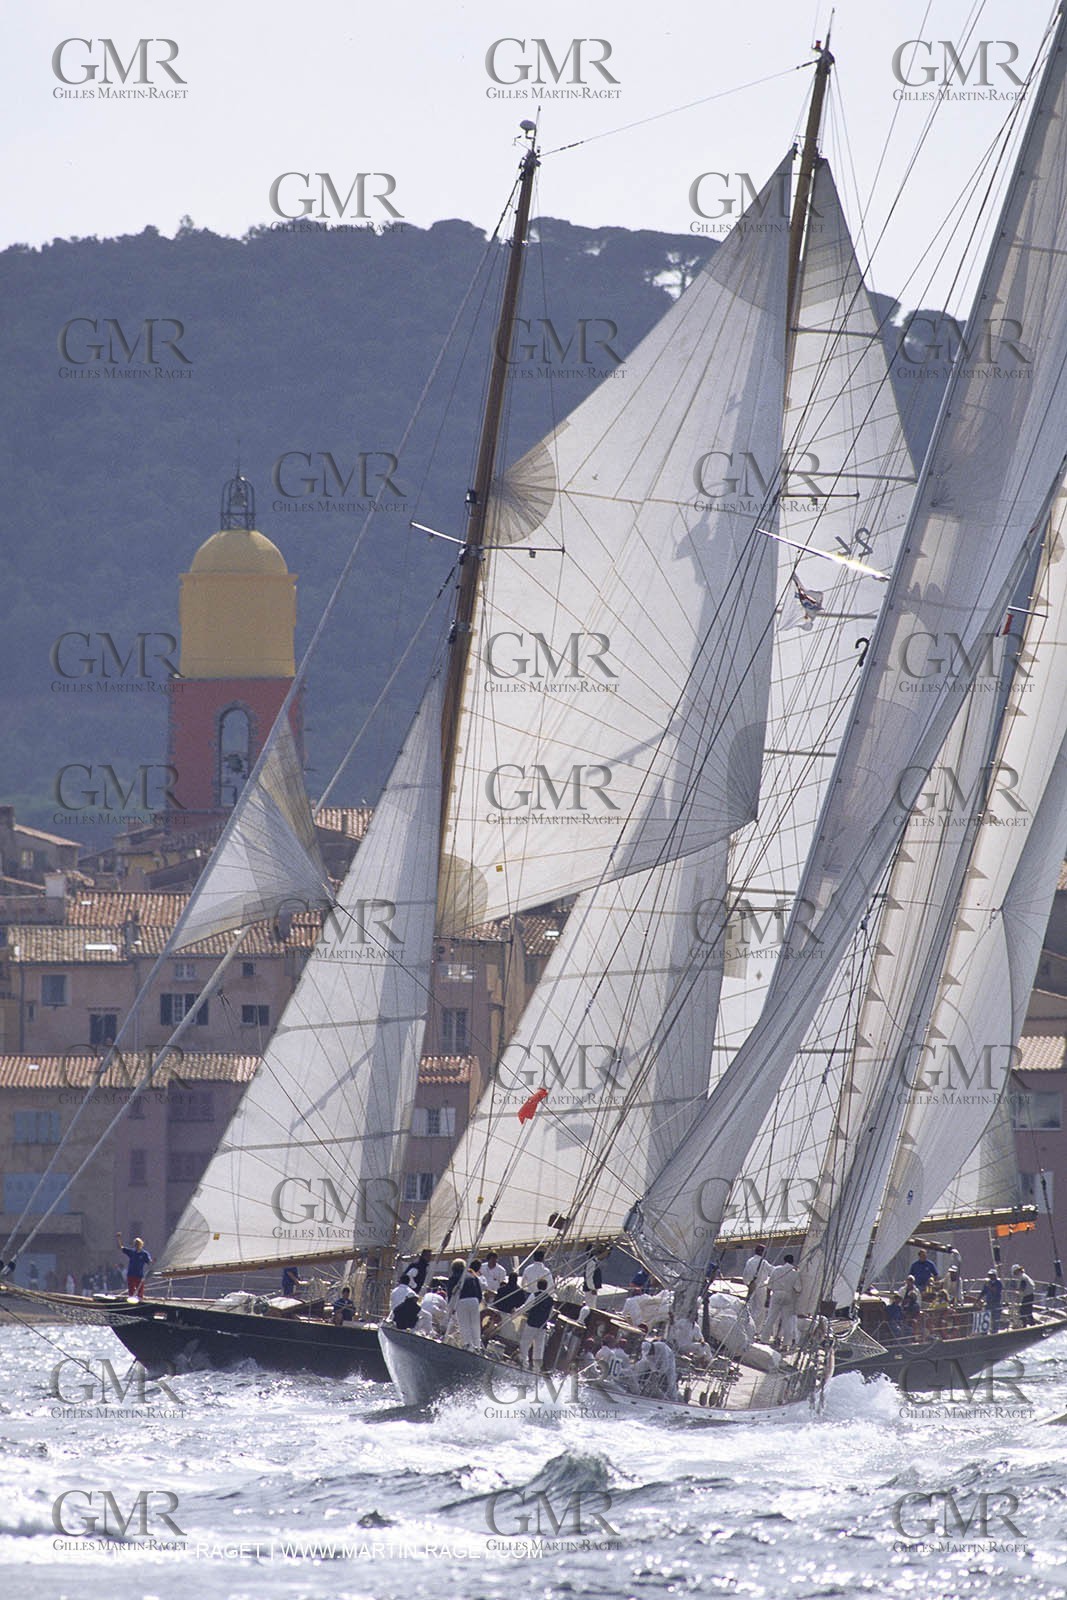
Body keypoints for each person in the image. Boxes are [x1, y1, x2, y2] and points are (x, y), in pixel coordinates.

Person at [765, 1254, 801, 1350]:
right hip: (788, 1296)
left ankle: (764, 1339)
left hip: (776, 1294)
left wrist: (767, 1298)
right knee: (787, 1321)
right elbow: (798, 1289)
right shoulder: (795, 1273)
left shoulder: (776, 1270)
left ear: (784, 1260)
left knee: (771, 1317)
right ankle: (786, 1343)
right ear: (793, 1262)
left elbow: (769, 1286)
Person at [518, 1277, 554, 1372]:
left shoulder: (534, 1295)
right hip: (542, 1327)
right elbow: (550, 1315)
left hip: (532, 1323)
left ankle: (524, 1363)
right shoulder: (550, 1300)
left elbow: (526, 1307)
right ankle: (536, 1369)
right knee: (539, 1347)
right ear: (546, 1287)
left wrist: (516, 1312)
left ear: (537, 1286)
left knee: (525, 1343)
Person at [454, 1259, 485, 1351]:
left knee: (464, 1324)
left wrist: (451, 1307)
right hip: (474, 1301)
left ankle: (468, 1345)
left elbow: (451, 1294)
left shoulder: (455, 1276)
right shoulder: (473, 1276)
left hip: (462, 1301)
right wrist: (477, 1302)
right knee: (475, 1324)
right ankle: (477, 1346)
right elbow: (479, 1292)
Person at [116, 1233, 151, 1300]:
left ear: (141, 1244)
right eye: (136, 1244)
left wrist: (153, 1262)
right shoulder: (131, 1252)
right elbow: (122, 1248)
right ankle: (131, 1299)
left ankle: (140, 1299)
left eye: (138, 1244)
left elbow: (149, 1262)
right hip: (131, 1274)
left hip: (139, 1275)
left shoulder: (144, 1254)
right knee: (131, 1290)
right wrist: (119, 1239)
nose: (137, 1245)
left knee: (140, 1291)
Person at [981, 1268, 1003, 1333]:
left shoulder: (998, 1283)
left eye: (992, 1275)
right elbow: (983, 1292)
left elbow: (996, 1292)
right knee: (986, 1317)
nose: (990, 1277)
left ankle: (994, 1331)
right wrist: (977, 1300)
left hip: (996, 1303)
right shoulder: (988, 1283)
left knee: (995, 1318)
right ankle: (984, 1331)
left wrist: (989, 1286)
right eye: (989, 1275)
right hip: (988, 1303)